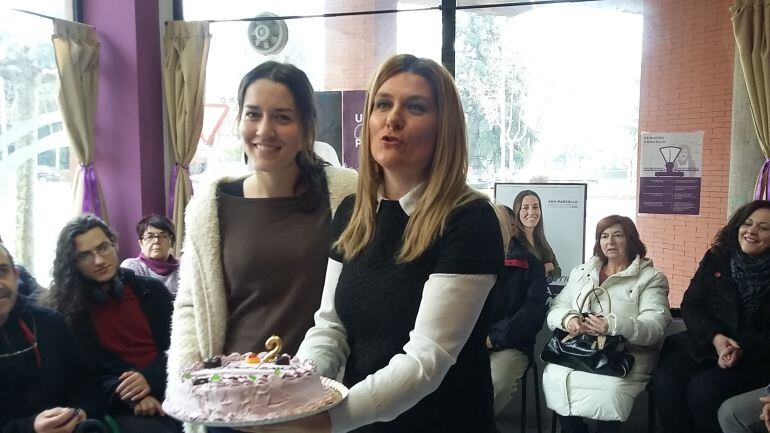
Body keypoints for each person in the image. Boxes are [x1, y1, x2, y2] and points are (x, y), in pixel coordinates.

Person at [283, 53, 503, 433]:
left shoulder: (469, 218)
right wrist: (298, 393)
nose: (392, 118)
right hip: (359, 422)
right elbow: (330, 328)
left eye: (414, 107)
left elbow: (426, 361)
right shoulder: (352, 211)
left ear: (443, 128)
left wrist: (326, 420)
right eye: (383, 104)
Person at [166, 61, 356, 431]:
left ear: (305, 128)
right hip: (230, 403)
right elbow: (191, 305)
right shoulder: (212, 204)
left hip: (312, 405)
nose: (265, 130)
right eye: (253, 114)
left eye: (282, 117)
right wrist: (188, 394)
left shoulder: (345, 195)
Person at [43, 215, 179, 433]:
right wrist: (129, 395)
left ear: (114, 245)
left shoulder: (153, 292)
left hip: (173, 387)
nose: (99, 261)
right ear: (72, 264)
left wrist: (149, 380)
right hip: (118, 407)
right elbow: (77, 378)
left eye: (103, 248)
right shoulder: (65, 313)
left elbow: (181, 349)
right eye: (85, 255)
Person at [543, 215, 671, 433]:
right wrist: (569, 319)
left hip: (626, 355)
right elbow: (556, 308)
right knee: (555, 377)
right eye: (604, 236)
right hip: (578, 350)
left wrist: (612, 325)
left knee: (609, 389)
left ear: (631, 240)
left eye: (617, 236)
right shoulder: (582, 272)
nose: (610, 242)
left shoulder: (650, 278)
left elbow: (655, 326)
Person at [652, 200, 770, 433]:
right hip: (706, 344)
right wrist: (716, 338)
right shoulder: (717, 257)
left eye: (764, 228)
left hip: (755, 358)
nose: (752, 231)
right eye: (747, 223)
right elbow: (691, 304)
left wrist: (738, 348)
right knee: (666, 383)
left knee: (703, 391)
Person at [0, 242, 108, 433]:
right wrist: (29, 428)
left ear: (16, 275)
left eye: (2, 271)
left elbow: (87, 382)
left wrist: (82, 412)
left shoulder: (50, 323)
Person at [487, 205, 548, 416]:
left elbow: (533, 313)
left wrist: (493, 338)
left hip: (511, 345)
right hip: (468, 343)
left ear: (513, 228)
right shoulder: (470, 259)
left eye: (500, 223)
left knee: (494, 385)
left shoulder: (531, 265)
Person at [120, 214, 180, 297]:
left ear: (171, 242)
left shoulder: (184, 267)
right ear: (141, 243)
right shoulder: (132, 266)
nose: (156, 241)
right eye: (149, 236)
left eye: (163, 236)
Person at [512, 190, 561, 282]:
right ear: (517, 211)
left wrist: (544, 274)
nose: (531, 212)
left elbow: (558, 271)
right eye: (525, 208)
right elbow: (518, 278)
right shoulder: (513, 242)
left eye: (535, 207)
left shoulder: (541, 240)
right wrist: (547, 267)